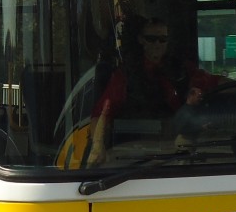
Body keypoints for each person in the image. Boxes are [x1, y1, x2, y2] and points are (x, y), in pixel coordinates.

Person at [84, 18, 226, 166]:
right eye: (151, 39)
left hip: (181, 151)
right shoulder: (126, 76)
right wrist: (98, 145)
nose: (157, 44)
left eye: (162, 39)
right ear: (141, 40)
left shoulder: (182, 69)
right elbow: (102, 113)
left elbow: (214, 82)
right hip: (138, 156)